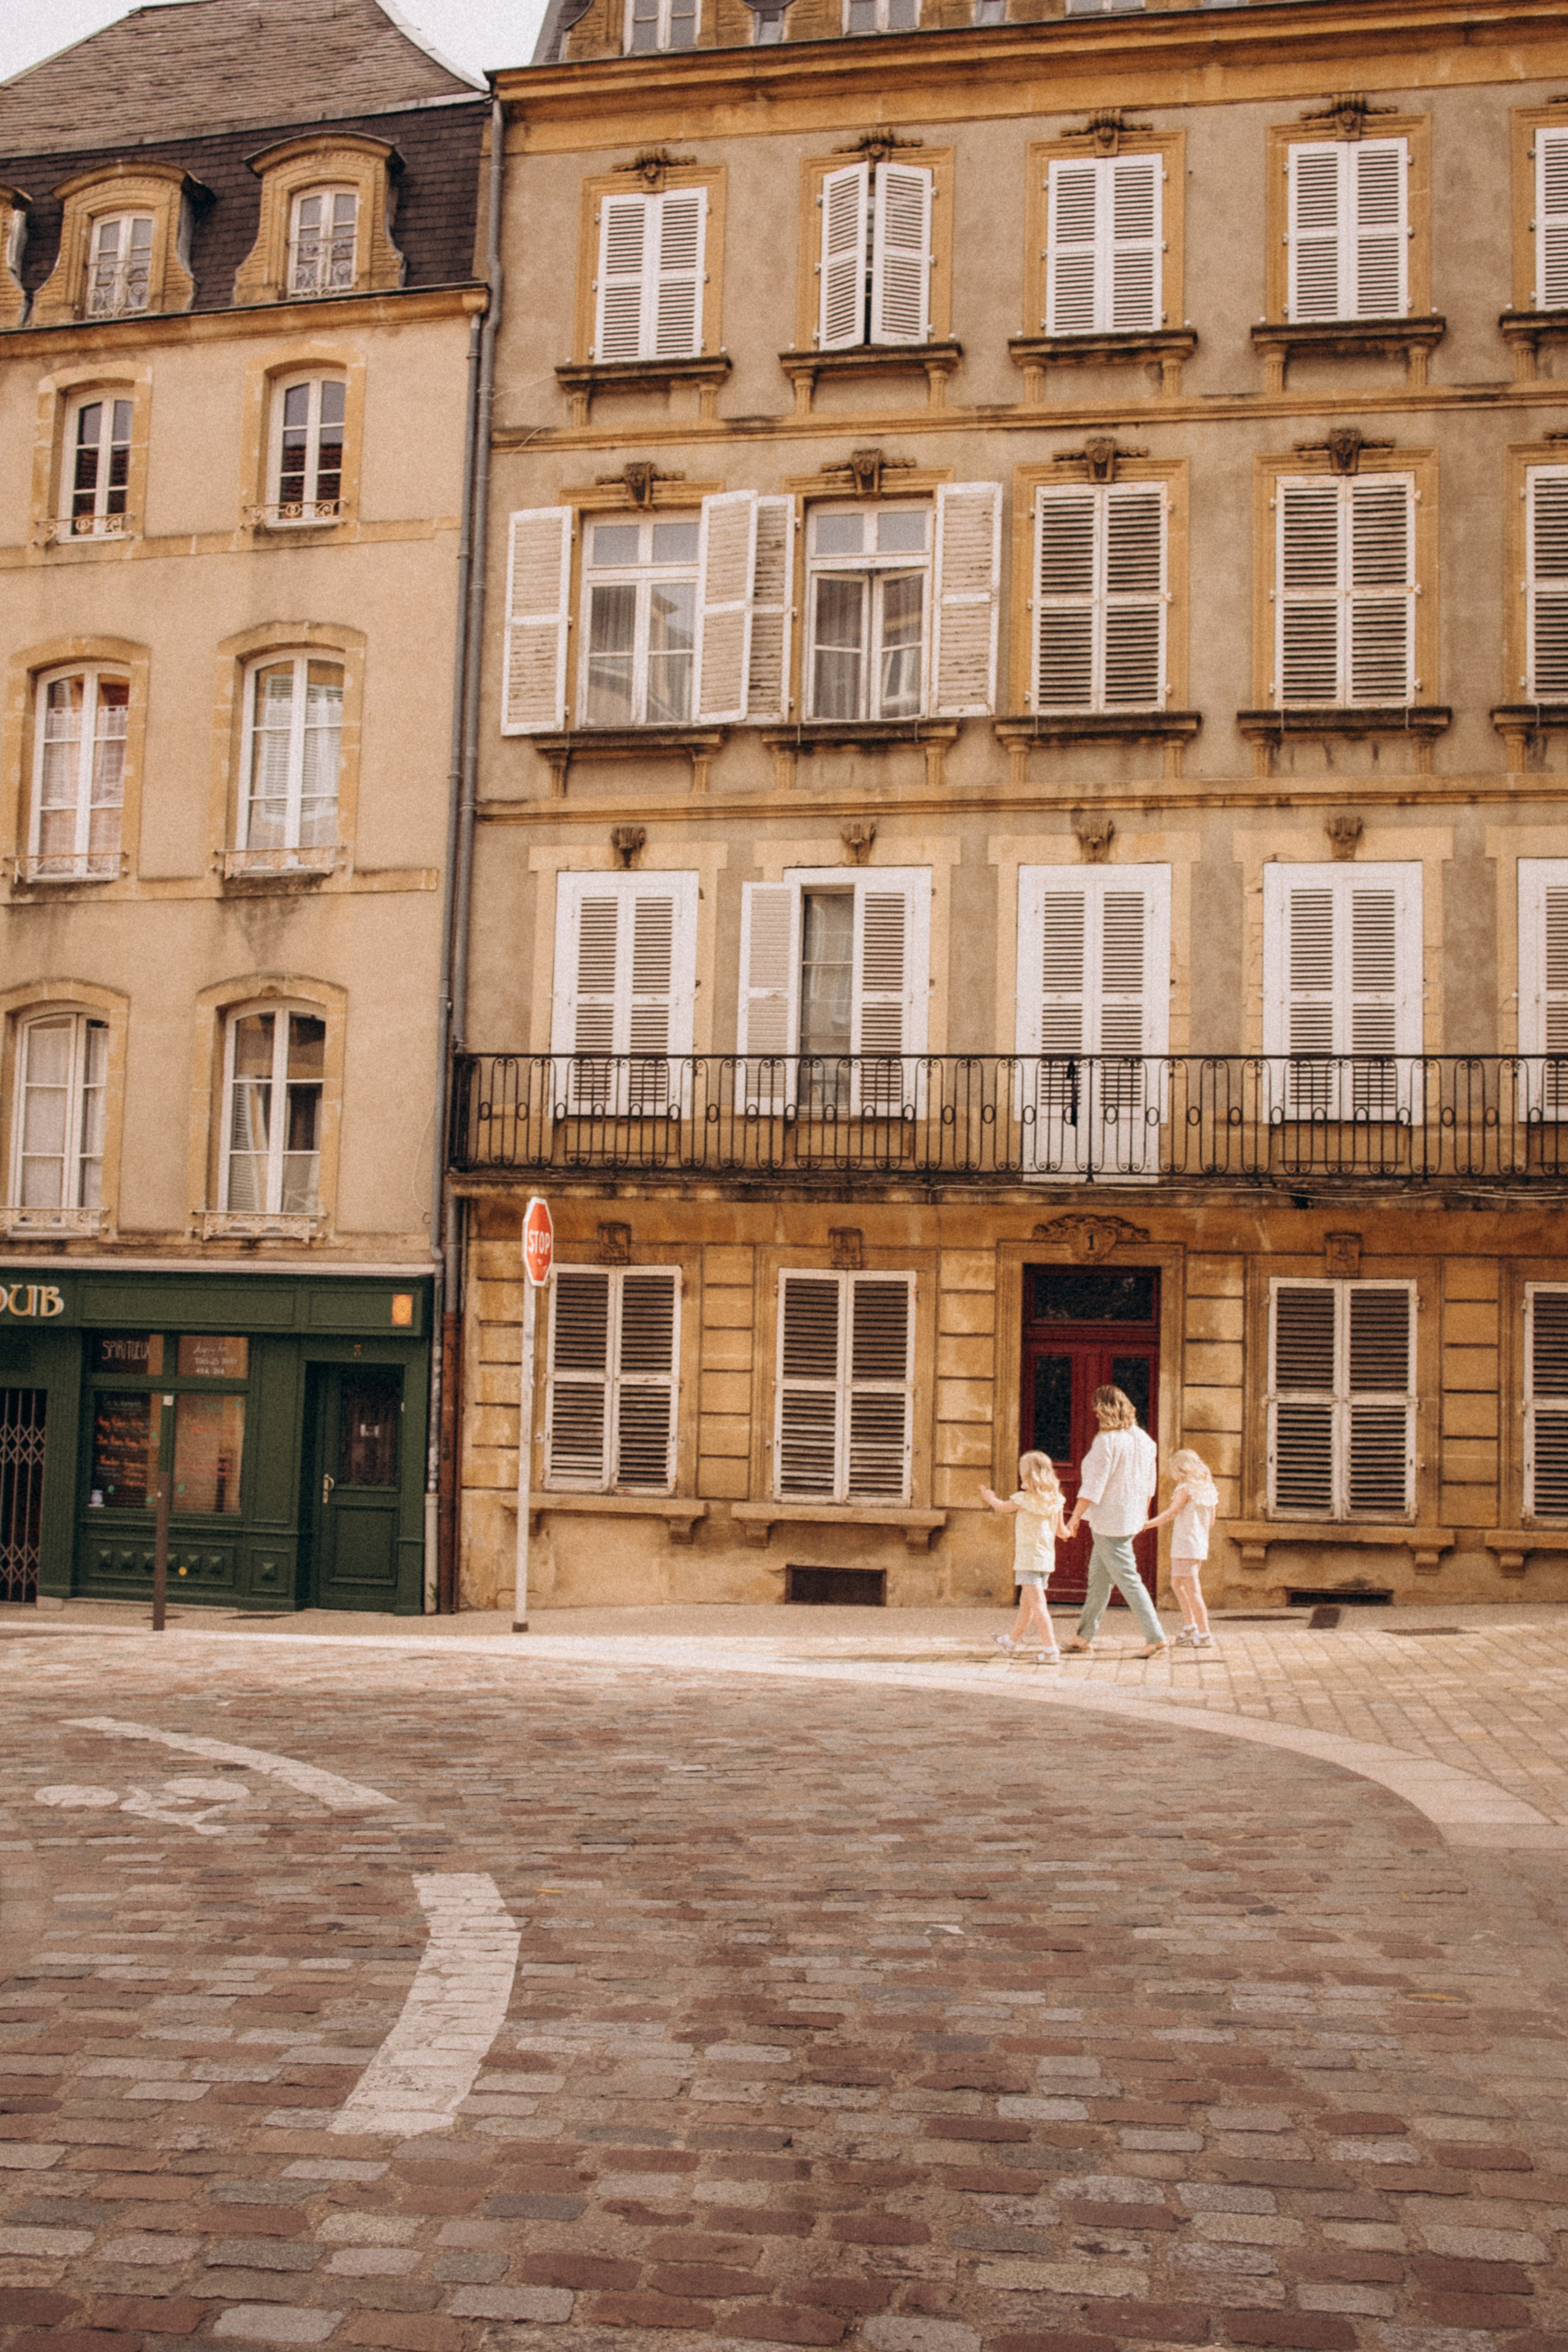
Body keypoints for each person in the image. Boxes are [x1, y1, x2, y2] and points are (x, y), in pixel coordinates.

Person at [1062, 1385, 1166, 1659]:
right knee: (1099, 1578)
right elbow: (1150, 1484)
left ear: (1105, 1409)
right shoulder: (1145, 1440)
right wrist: (1143, 1513)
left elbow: (1094, 1485)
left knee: (1129, 1579)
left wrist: (1074, 1518)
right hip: (1129, 1517)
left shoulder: (1107, 1442)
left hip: (1111, 1520)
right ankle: (1084, 1636)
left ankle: (1155, 1636)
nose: (1095, 1413)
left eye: (1097, 1407)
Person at [979, 1451, 1064, 1662]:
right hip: (1045, 1560)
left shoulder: (1022, 1500)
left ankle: (1051, 1648)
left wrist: (989, 1497)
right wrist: (1072, 1529)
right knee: (1027, 1605)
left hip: (1028, 1560)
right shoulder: (1056, 1501)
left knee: (1038, 1606)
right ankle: (1010, 1640)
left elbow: (1001, 1507)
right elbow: (1062, 1532)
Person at [1143, 1447, 1218, 1648]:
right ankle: (1190, 1626)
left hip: (1186, 1544)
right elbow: (1211, 1522)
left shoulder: (1185, 1489)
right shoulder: (1208, 1490)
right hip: (1198, 1544)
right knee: (1178, 1584)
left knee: (1193, 1590)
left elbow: (1171, 1512)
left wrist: (1147, 1524)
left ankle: (1204, 1633)